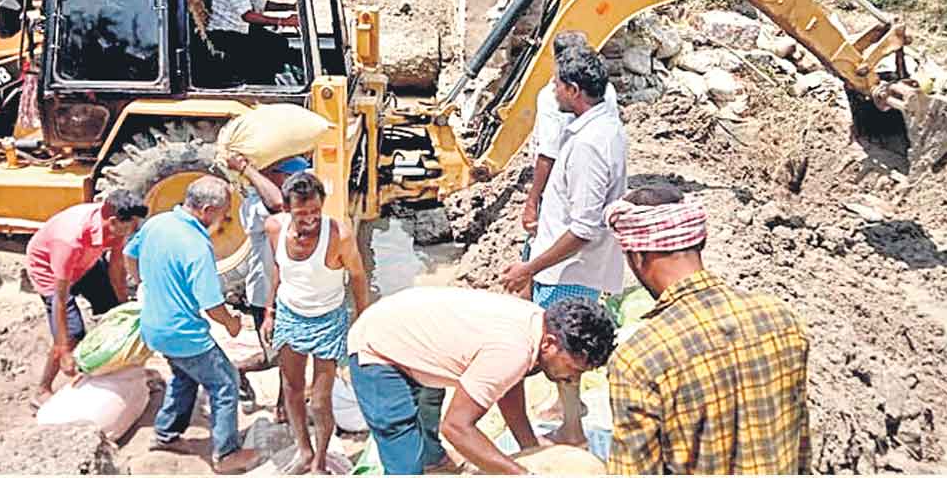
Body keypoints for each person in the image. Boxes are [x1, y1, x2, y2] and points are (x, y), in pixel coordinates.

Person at [604, 184, 812, 474]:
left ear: (637, 256)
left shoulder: (639, 360)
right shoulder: (782, 319)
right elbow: (800, 445)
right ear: (699, 242)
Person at [347, 287, 617, 475]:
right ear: (550, 344)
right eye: (573, 368)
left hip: (410, 332)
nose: (572, 378)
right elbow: (455, 427)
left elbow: (507, 389)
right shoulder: (512, 351)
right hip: (377, 345)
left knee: (429, 402)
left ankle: (433, 460)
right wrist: (520, 473)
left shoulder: (537, 323)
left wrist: (531, 449)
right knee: (402, 447)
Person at [502, 44, 628, 445]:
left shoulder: (591, 145)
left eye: (557, 83)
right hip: (568, 263)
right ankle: (568, 423)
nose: (553, 90)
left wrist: (530, 267)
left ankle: (572, 430)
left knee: (563, 349)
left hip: (570, 269)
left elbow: (583, 229)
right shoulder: (601, 127)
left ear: (573, 89)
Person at [124, 176, 261, 475]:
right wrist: (233, 324)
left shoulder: (157, 223)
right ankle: (226, 454)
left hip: (154, 326)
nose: (224, 219)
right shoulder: (197, 245)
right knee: (225, 383)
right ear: (208, 209)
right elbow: (212, 304)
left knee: (184, 377)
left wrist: (144, 285)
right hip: (184, 334)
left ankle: (165, 434)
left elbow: (128, 255)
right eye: (223, 213)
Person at [262, 171, 370, 474]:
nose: (310, 219)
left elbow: (359, 278)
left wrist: (362, 322)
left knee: (321, 401)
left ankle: (320, 461)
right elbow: (278, 268)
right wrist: (269, 311)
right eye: (301, 213)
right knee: (292, 388)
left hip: (328, 319)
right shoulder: (274, 228)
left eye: (315, 211)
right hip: (289, 314)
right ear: (286, 210)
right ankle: (304, 451)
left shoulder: (339, 235)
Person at [25, 189, 147, 409]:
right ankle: (42, 389)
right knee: (72, 334)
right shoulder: (69, 240)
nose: (134, 230)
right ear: (112, 221)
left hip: (85, 262)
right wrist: (64, 351)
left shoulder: (116, 228)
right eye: (132, 225)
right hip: (51, 272)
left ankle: (111, 367)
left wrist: (123, 307)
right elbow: (60, 299)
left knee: (114, 315)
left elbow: (116, 270)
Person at [225, 152, 312, 418]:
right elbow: (276, 203)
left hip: (290, 294)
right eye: (290, 177)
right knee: (282, 357)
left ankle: (283, 408)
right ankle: (239, 372)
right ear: (273, 178)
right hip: (266, 297)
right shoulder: (255, 206)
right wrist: (247, 169)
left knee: (292, 355)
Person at [521, 31, 620, 234]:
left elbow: (548, 153)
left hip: (564, 179)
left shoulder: (552, 96)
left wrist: (532, 201)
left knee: (562, 228)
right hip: (601, 181)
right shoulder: (605, 90)